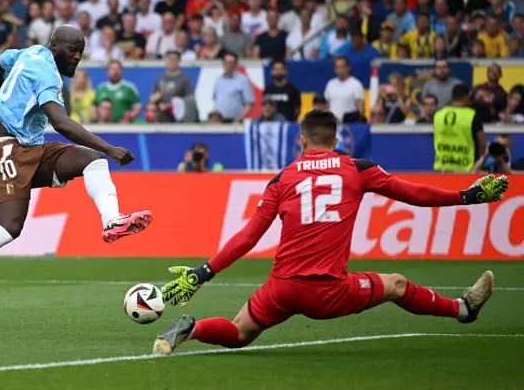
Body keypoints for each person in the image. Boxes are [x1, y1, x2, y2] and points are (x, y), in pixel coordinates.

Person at [153, 109, 508, 355]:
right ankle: (463, 309)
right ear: (336, 140)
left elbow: (249, 236)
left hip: (282, 288)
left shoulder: (283, 179)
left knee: (240, 332)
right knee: (397, 284)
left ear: (302, 141)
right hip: (329, 292)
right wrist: (467, 195)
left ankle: (193, 329)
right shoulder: (357, 169)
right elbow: (413, 194)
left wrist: (203, 273)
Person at [0, 25, 153, 319]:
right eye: (71, 50)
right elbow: (61, 122)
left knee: (93, 161)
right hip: (6, 151)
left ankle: (112, 221)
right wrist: (111, 147)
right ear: (55, 46)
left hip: (33, 148)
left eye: (80, 52)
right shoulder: (47, 75)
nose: (77, 57)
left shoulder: (28, 53)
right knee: (9, 227)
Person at [433, 84, 486, 173]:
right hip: (466, 169)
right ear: (466, 97)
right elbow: (482, 144)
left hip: (442, 168)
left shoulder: (438, 115)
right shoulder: (471, 115)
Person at [212, 52, 255, 122]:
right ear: (223, 64)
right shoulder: (219, 79)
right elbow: (215, 99)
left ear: (236, 64)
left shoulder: (243, 80)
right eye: (226, 62)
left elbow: (249, 103)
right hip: (218, 120)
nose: (228, 65)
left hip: (235, 121)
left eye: (231, 63)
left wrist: (238, 119)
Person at [323, 56, 365, 122]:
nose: (340, 70)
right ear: (334, 69)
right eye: (337, 67)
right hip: (332, 124)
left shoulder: (356, 84)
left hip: (349, 124)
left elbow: (360, 108)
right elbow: (326, 106)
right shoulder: (330, 84)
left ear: (348, 68)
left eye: (342, 67)